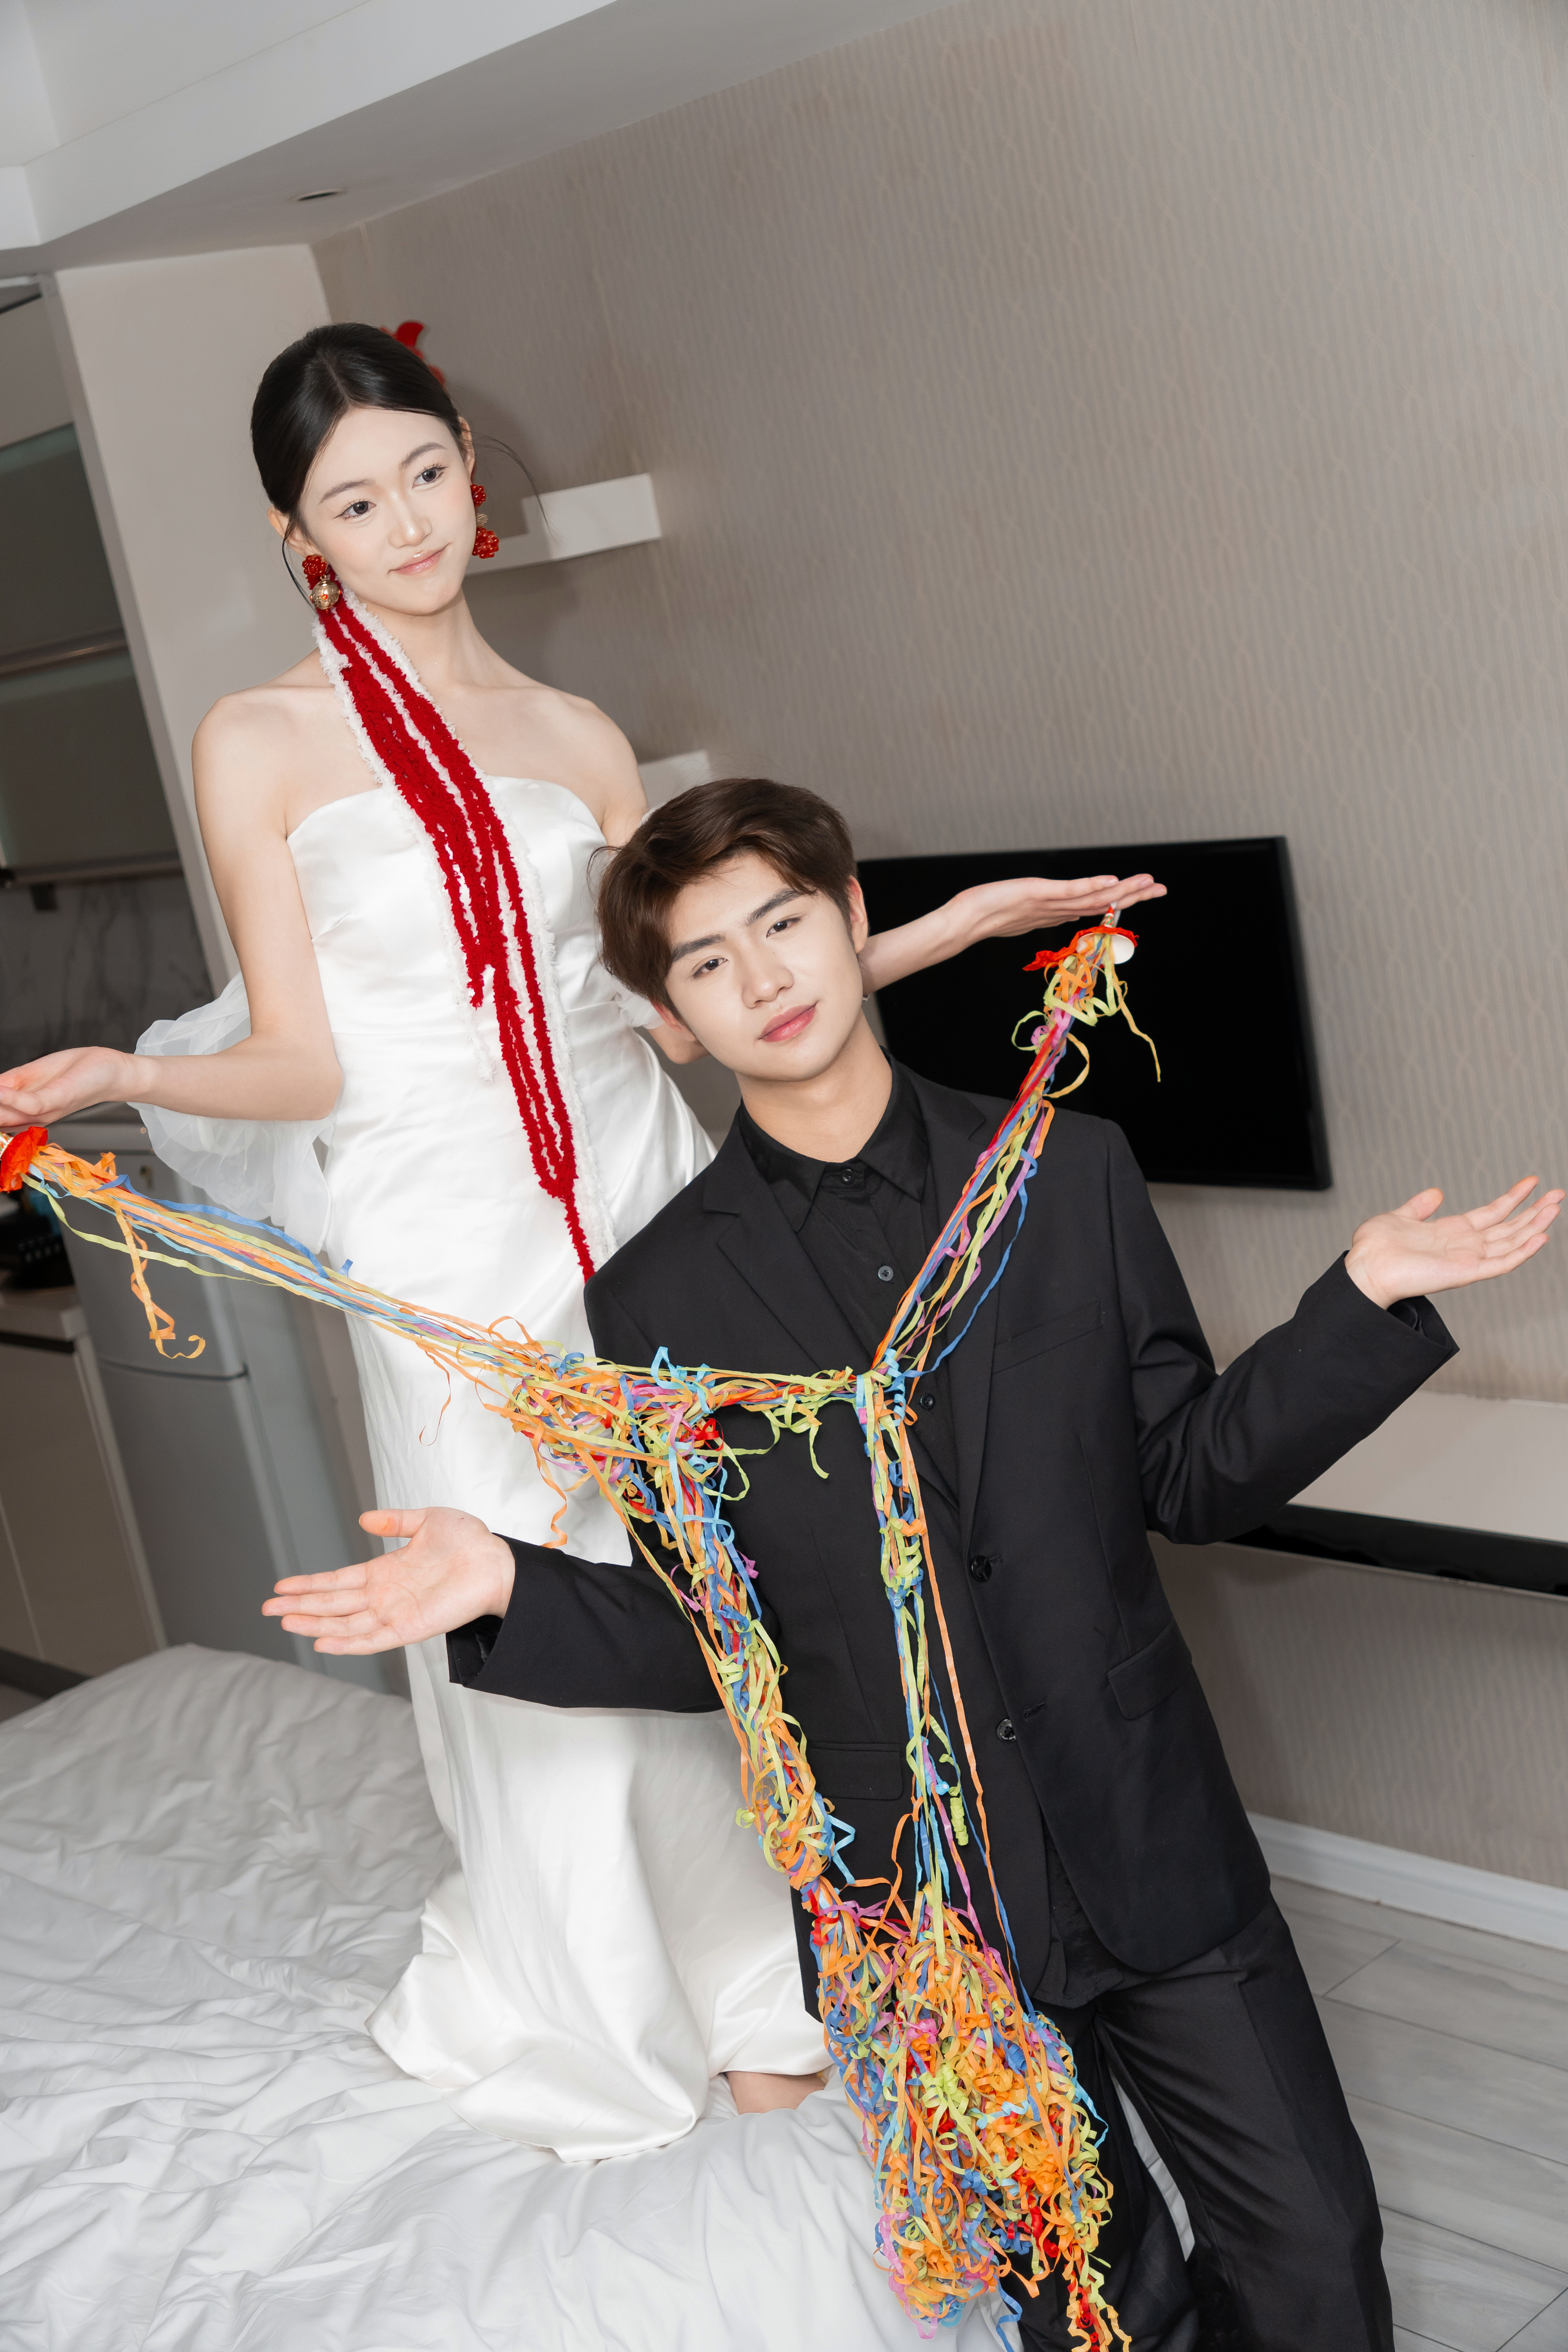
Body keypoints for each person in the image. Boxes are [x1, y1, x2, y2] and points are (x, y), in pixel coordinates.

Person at [0, 324, 1169, 2157]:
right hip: (439, 1228)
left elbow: (690, 1006)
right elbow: (303, 1058)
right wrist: (124, 1078)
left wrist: (944, 933)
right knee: (514, 1576)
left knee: (715, 1578)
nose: (405, 525)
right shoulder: (260, 739)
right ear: (302, 541)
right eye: (352, 505)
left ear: (471, 467)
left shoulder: (574, 734)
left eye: (422, 475)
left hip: (636, 1195)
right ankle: (602, 2002)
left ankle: (763, 1984)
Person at [269, 776, 1559, 2350]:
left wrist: (1356, 1306)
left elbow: (1186, 1475)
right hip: (919, 1920)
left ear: (853, 922)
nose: (762, 977)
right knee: (1095, 2305)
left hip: (1148, 1833)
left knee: (1315, 2253)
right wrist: (507, 1587)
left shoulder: (1066, 1172)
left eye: (784, 923)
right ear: (674, 1020)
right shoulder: (655, 1300)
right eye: (706, 962)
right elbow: (722, 1636)